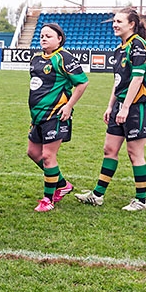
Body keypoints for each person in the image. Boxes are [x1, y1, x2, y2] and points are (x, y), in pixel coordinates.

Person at [75, 7, 146, 211]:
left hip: (137, 106)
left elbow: (137, 79)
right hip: (121, 105)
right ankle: (98, 195)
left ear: (132, 24)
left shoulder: (138, 45)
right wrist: (111, 105)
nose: (115, 25)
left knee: (134, 152)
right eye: (114, 21)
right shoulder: (120, 48)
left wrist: (126, 107)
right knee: (109, 149)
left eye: (119, 21)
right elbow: (118, 82)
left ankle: (140, 200)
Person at [27, 23, 89, 211]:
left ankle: (48, 200)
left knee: (47, 155)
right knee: (33, 152)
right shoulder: (36, 59)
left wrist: (69, 106)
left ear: (59, 39)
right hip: (38, 116)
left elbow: (82, 83)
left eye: (49, 36)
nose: (44, 38)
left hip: (56, 114)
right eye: (42, 36)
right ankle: (62, 185)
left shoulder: (64, 57)